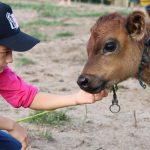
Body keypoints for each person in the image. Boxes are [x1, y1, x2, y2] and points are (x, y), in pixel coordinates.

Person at [0, 2, 108, 150]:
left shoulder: (2, 72)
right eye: (4, 52)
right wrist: (10, 125)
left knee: (12, 146)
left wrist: (76, 98)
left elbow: (28, 97)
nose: (10, 59)